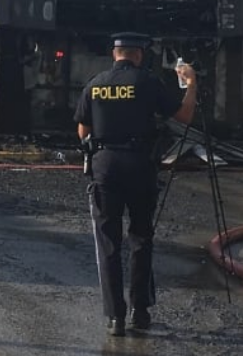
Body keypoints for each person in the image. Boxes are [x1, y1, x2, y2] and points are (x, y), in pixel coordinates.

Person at [74, 32, 197, 337]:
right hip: (140, 165)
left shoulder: (95, 83)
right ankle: (139, 312)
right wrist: (192, 84)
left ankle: (115, 317)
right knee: (141, 237)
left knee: (109, 242)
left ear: (115, 54)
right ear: (139, 54)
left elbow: (82, 131)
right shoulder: (148, 81)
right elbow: (183, 116)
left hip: (105, 166)